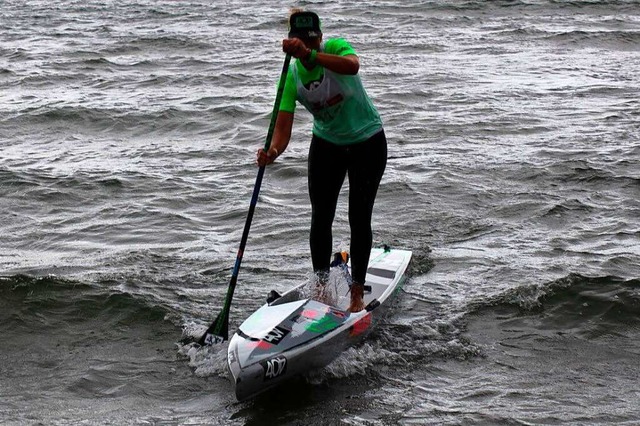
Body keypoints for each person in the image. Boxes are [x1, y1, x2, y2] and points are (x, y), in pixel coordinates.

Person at [256, 9, 387, 313]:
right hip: (327, 144)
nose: (307, 47)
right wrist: (272, 153)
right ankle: (322, 288)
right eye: (301, 42)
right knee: (321, 217)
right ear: (292, 42)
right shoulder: (291, 75)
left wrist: (313, 56)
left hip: (367, 141)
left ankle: (356, 292)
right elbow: (282, 130)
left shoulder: (336, 48)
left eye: (312, 41)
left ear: (320, 38)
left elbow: (353, 66)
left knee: (358, 216)